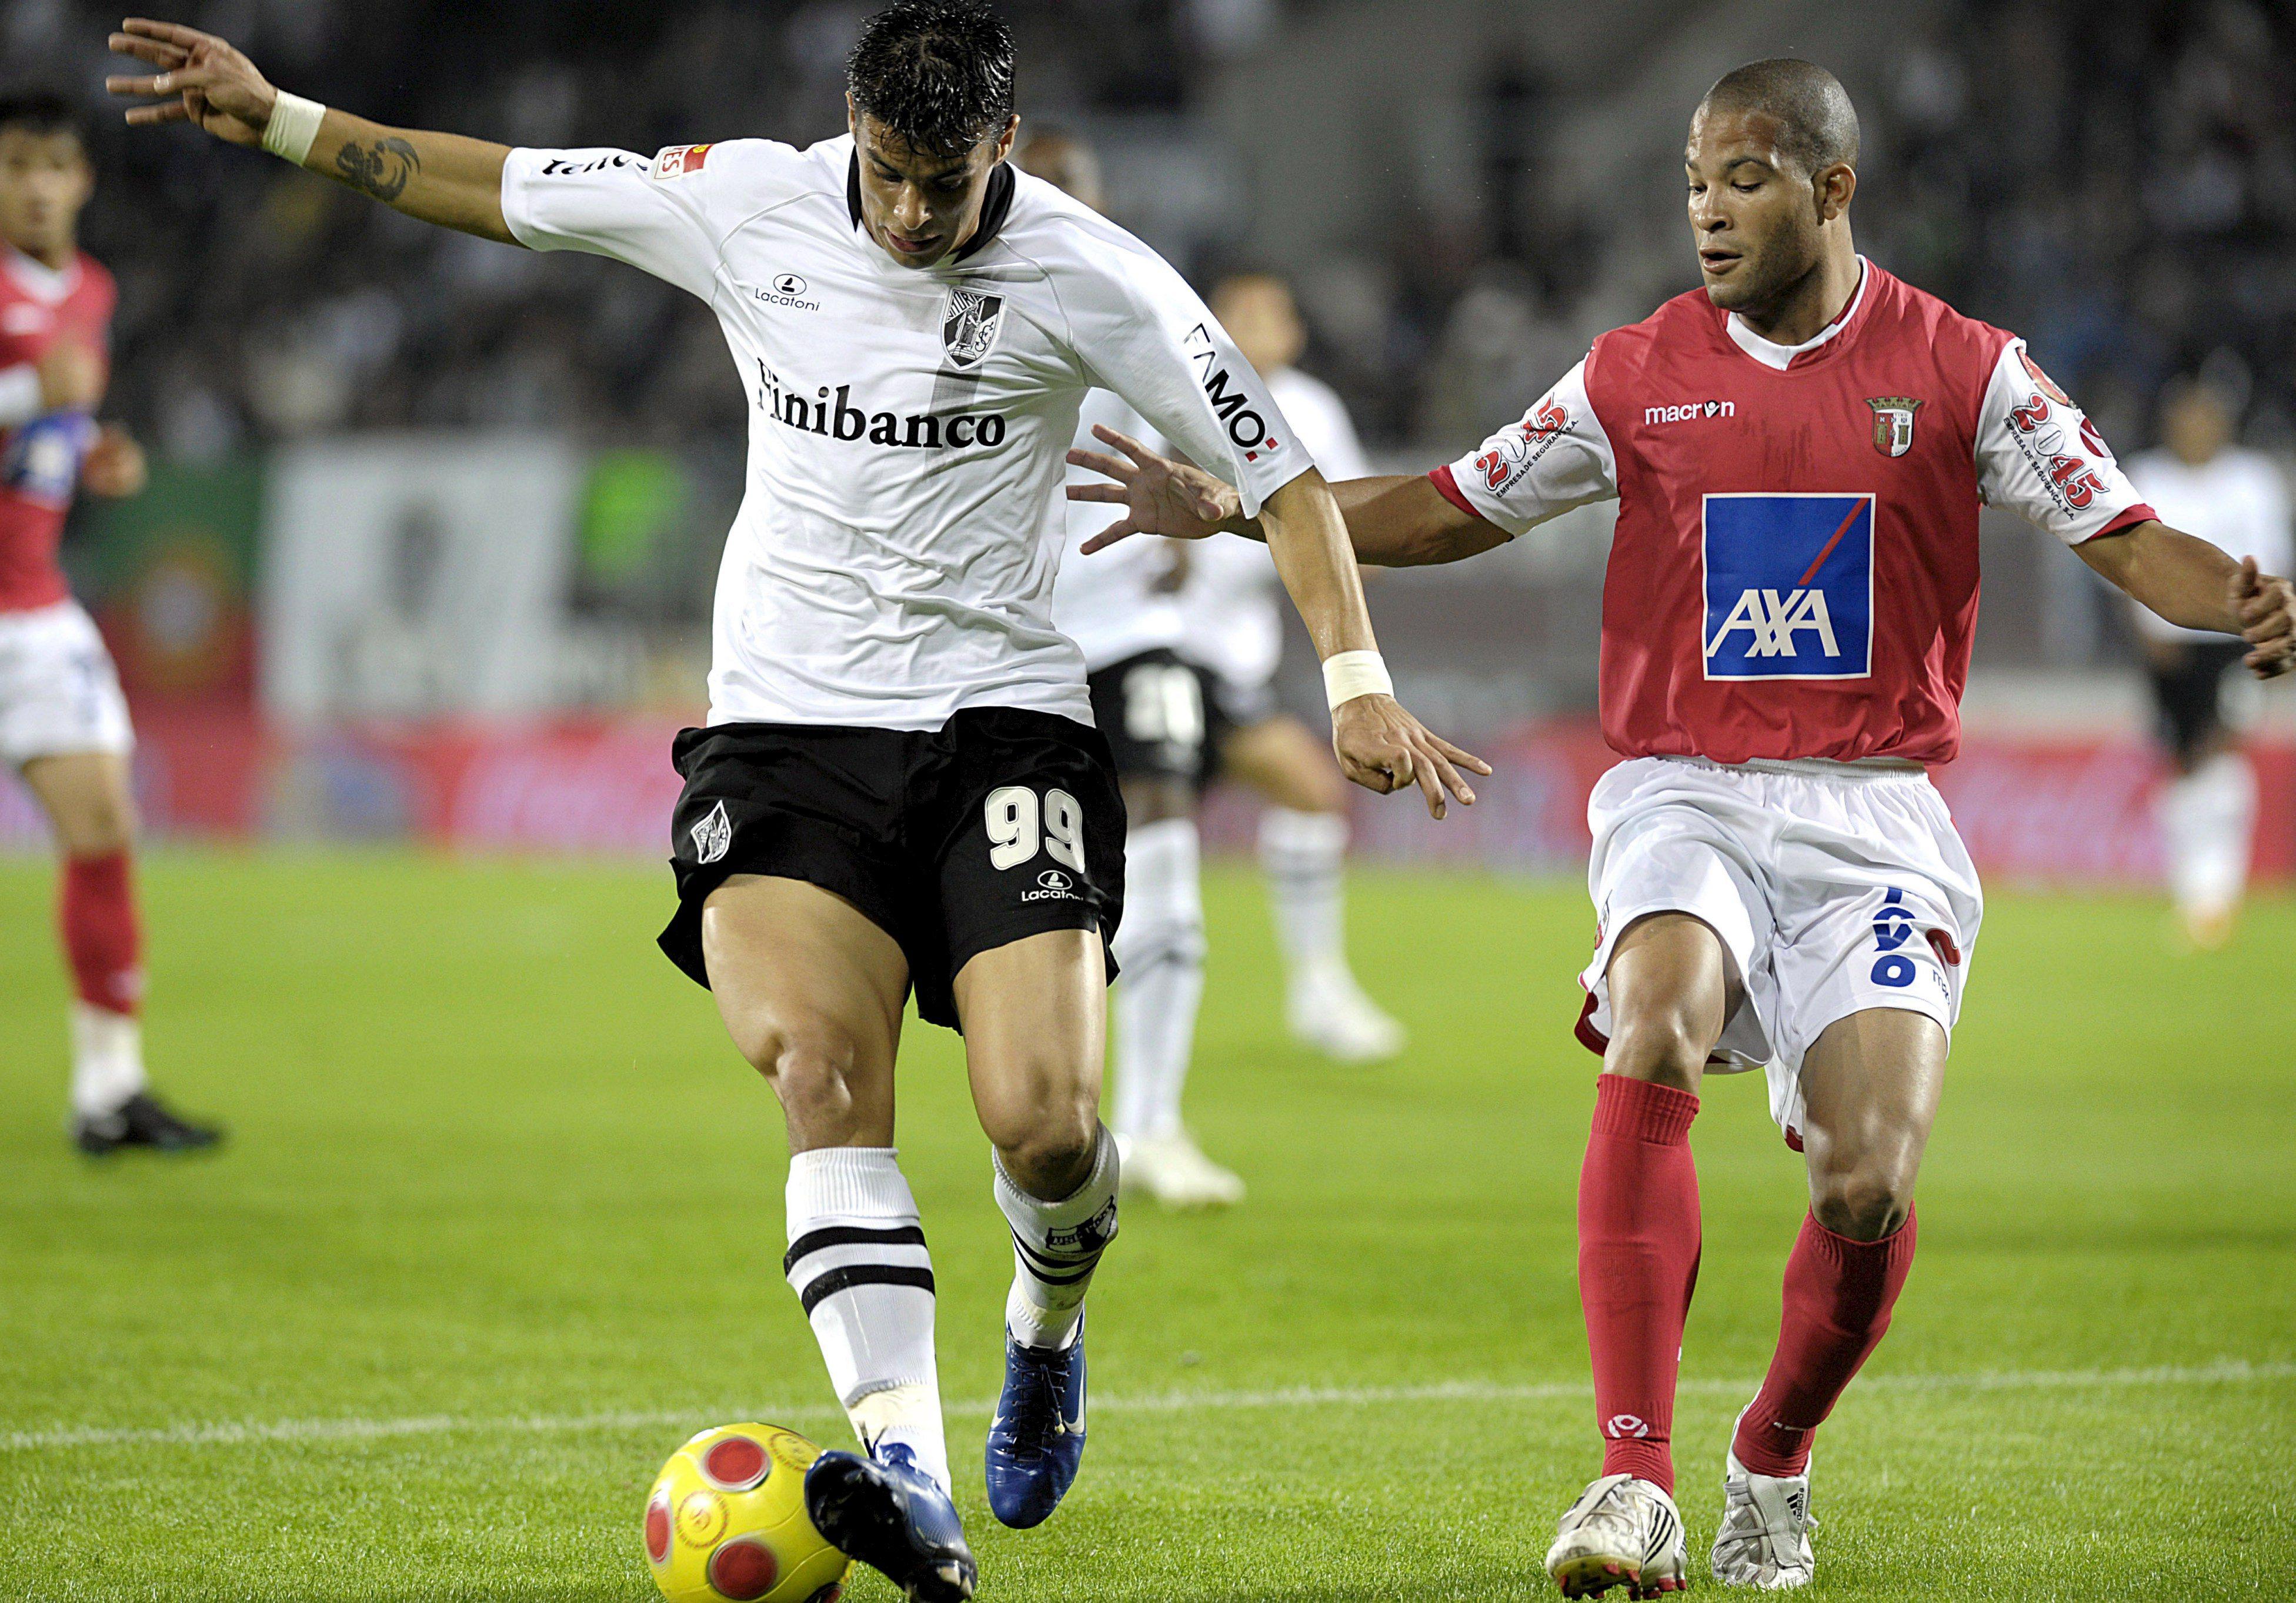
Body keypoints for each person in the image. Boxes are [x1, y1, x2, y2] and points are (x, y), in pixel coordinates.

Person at [108, 8, 1483, 1598]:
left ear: (1009, 150)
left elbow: (1292, 476)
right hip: (786, 725)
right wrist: (283, 117)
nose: (913, 212)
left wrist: (1356, 673)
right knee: (821, 1069)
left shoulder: (1096, 276)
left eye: (948, 185)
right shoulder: (745, 198)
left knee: (1046, 1126)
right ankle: (907, 1470)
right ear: (851, 128)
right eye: (892, 175)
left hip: (1000, 726)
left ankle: (1048, 1316)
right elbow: (490, 184)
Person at [1068, 58, 2294, 1595]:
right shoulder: (1634, 373)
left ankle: (1769, 1459)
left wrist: (2239, 599)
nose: (1708, 211)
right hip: (1685, 786)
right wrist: (1243, 503)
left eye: (1748, 180)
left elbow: (2126, 533)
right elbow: (1455, 501)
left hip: (1874, 817)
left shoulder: (1970, 370)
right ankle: (1631, 1478)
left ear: (1834, 189)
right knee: (1653, 1016)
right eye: (1696, 181)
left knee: (1865, 1176)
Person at [0, 89, 220, 1158]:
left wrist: (81, 452)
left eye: (57, 166)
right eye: (17, 164)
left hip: (31, 615)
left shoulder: (91, 285)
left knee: (104, 827)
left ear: (83, 180)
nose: (38, 185)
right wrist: (25, 391)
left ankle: (108, 1092)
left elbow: (34, 428)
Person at [1022, 129, 1246, 1210]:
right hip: (1011, 642)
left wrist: (1193, 505)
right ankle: (1041, 1114)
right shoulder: (953, 300)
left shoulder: (1140, 293)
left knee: (1166, 836)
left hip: (1129, 632)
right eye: (1040, 190)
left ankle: (1155, 1122)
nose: (1060, 209)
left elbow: (1220, 425)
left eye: (1078, 191)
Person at [1197, 272, 1408, 1063]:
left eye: (1269, 314)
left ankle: (1318, 988)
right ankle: (1315, 988)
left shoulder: (1313, 410)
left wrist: (1322, 555)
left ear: (1293, 332)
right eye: (1236, 312)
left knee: (1311, 797)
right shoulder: (1171, 392)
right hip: (1156, 646)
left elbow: (1351, 527)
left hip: (1231, 656)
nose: (1253, 327)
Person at [2122, 375, 2292, 949]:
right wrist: (2145, 627)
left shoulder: (2250, 480)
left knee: (2219, 749)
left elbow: (2269, 563)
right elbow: (2126, 558)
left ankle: (2215, 895)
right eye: (2184, 416)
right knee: (2180, 761)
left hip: (2229, 642)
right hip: (2165, 646)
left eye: (2204, 416)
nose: (2194, 427)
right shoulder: (2146, 475)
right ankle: (2190, 888)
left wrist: (2266, 638)